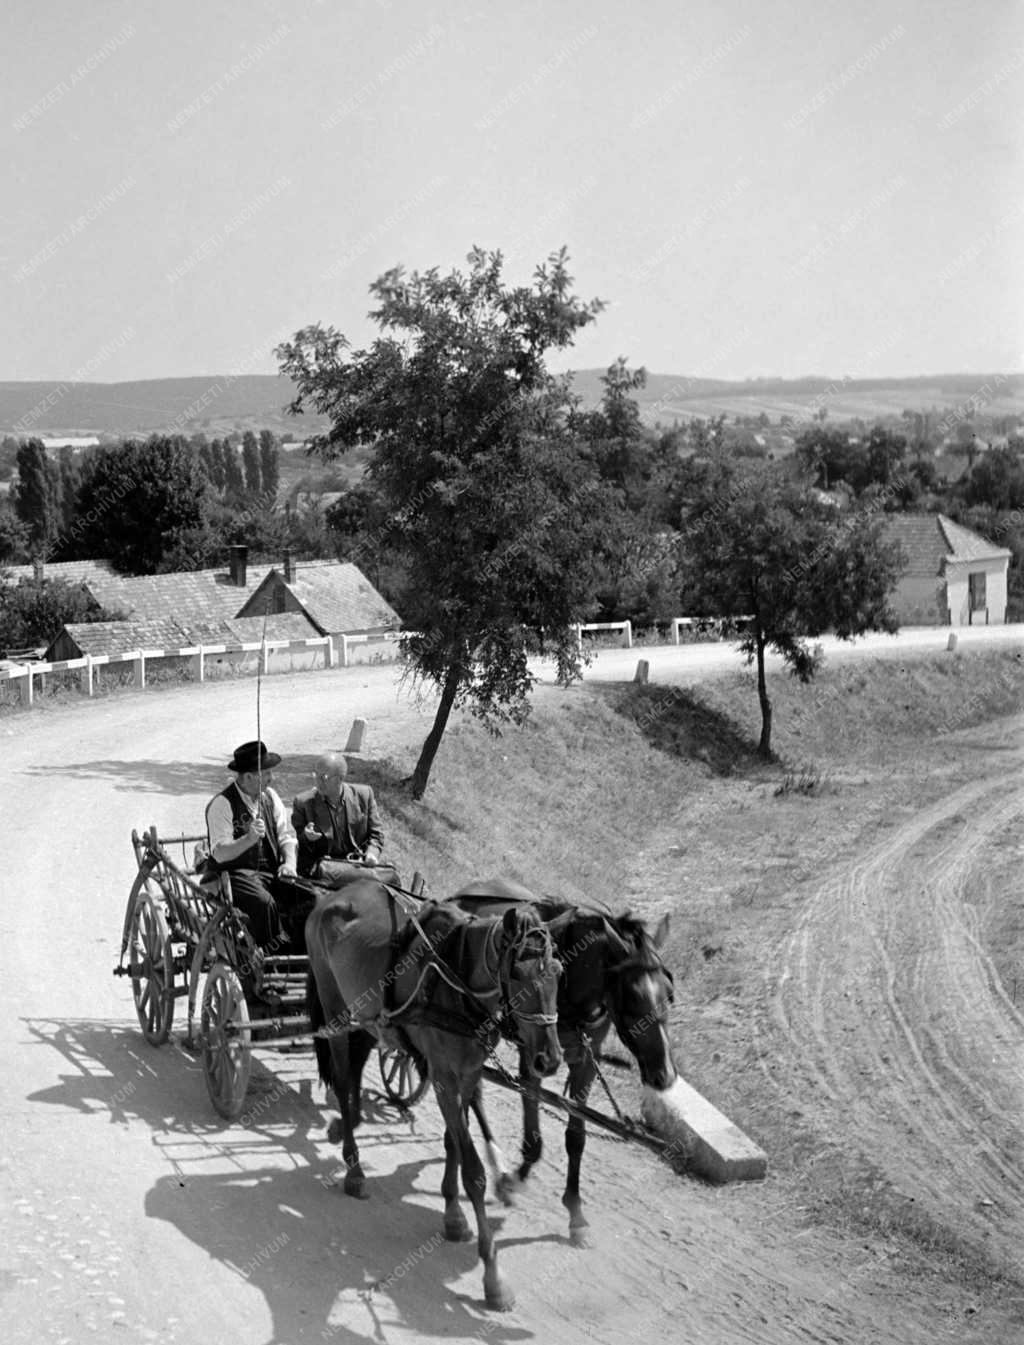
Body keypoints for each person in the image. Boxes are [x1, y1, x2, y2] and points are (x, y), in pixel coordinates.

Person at [205, 740, 301, 953]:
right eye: (265, 773)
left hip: (270, 872)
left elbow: (286, 836)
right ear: (248, 777)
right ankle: (271, 961)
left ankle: (302, 957)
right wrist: (248, 839)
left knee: (306, 894)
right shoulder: (222, 804)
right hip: (233, 875)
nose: (271, 778)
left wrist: (290, 864)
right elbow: (220, 853)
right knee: (264, 903)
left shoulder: (270, 797)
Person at [291, 752, 385, 886]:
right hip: (324, 872)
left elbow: (376, 834)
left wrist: (372, 853)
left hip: (358, 867)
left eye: (324, 777)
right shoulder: (303, 803)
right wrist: (306, 837)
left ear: (340, 778)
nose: (318, 781)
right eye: (315, 775)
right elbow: (299, 845)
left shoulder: (364, 795)